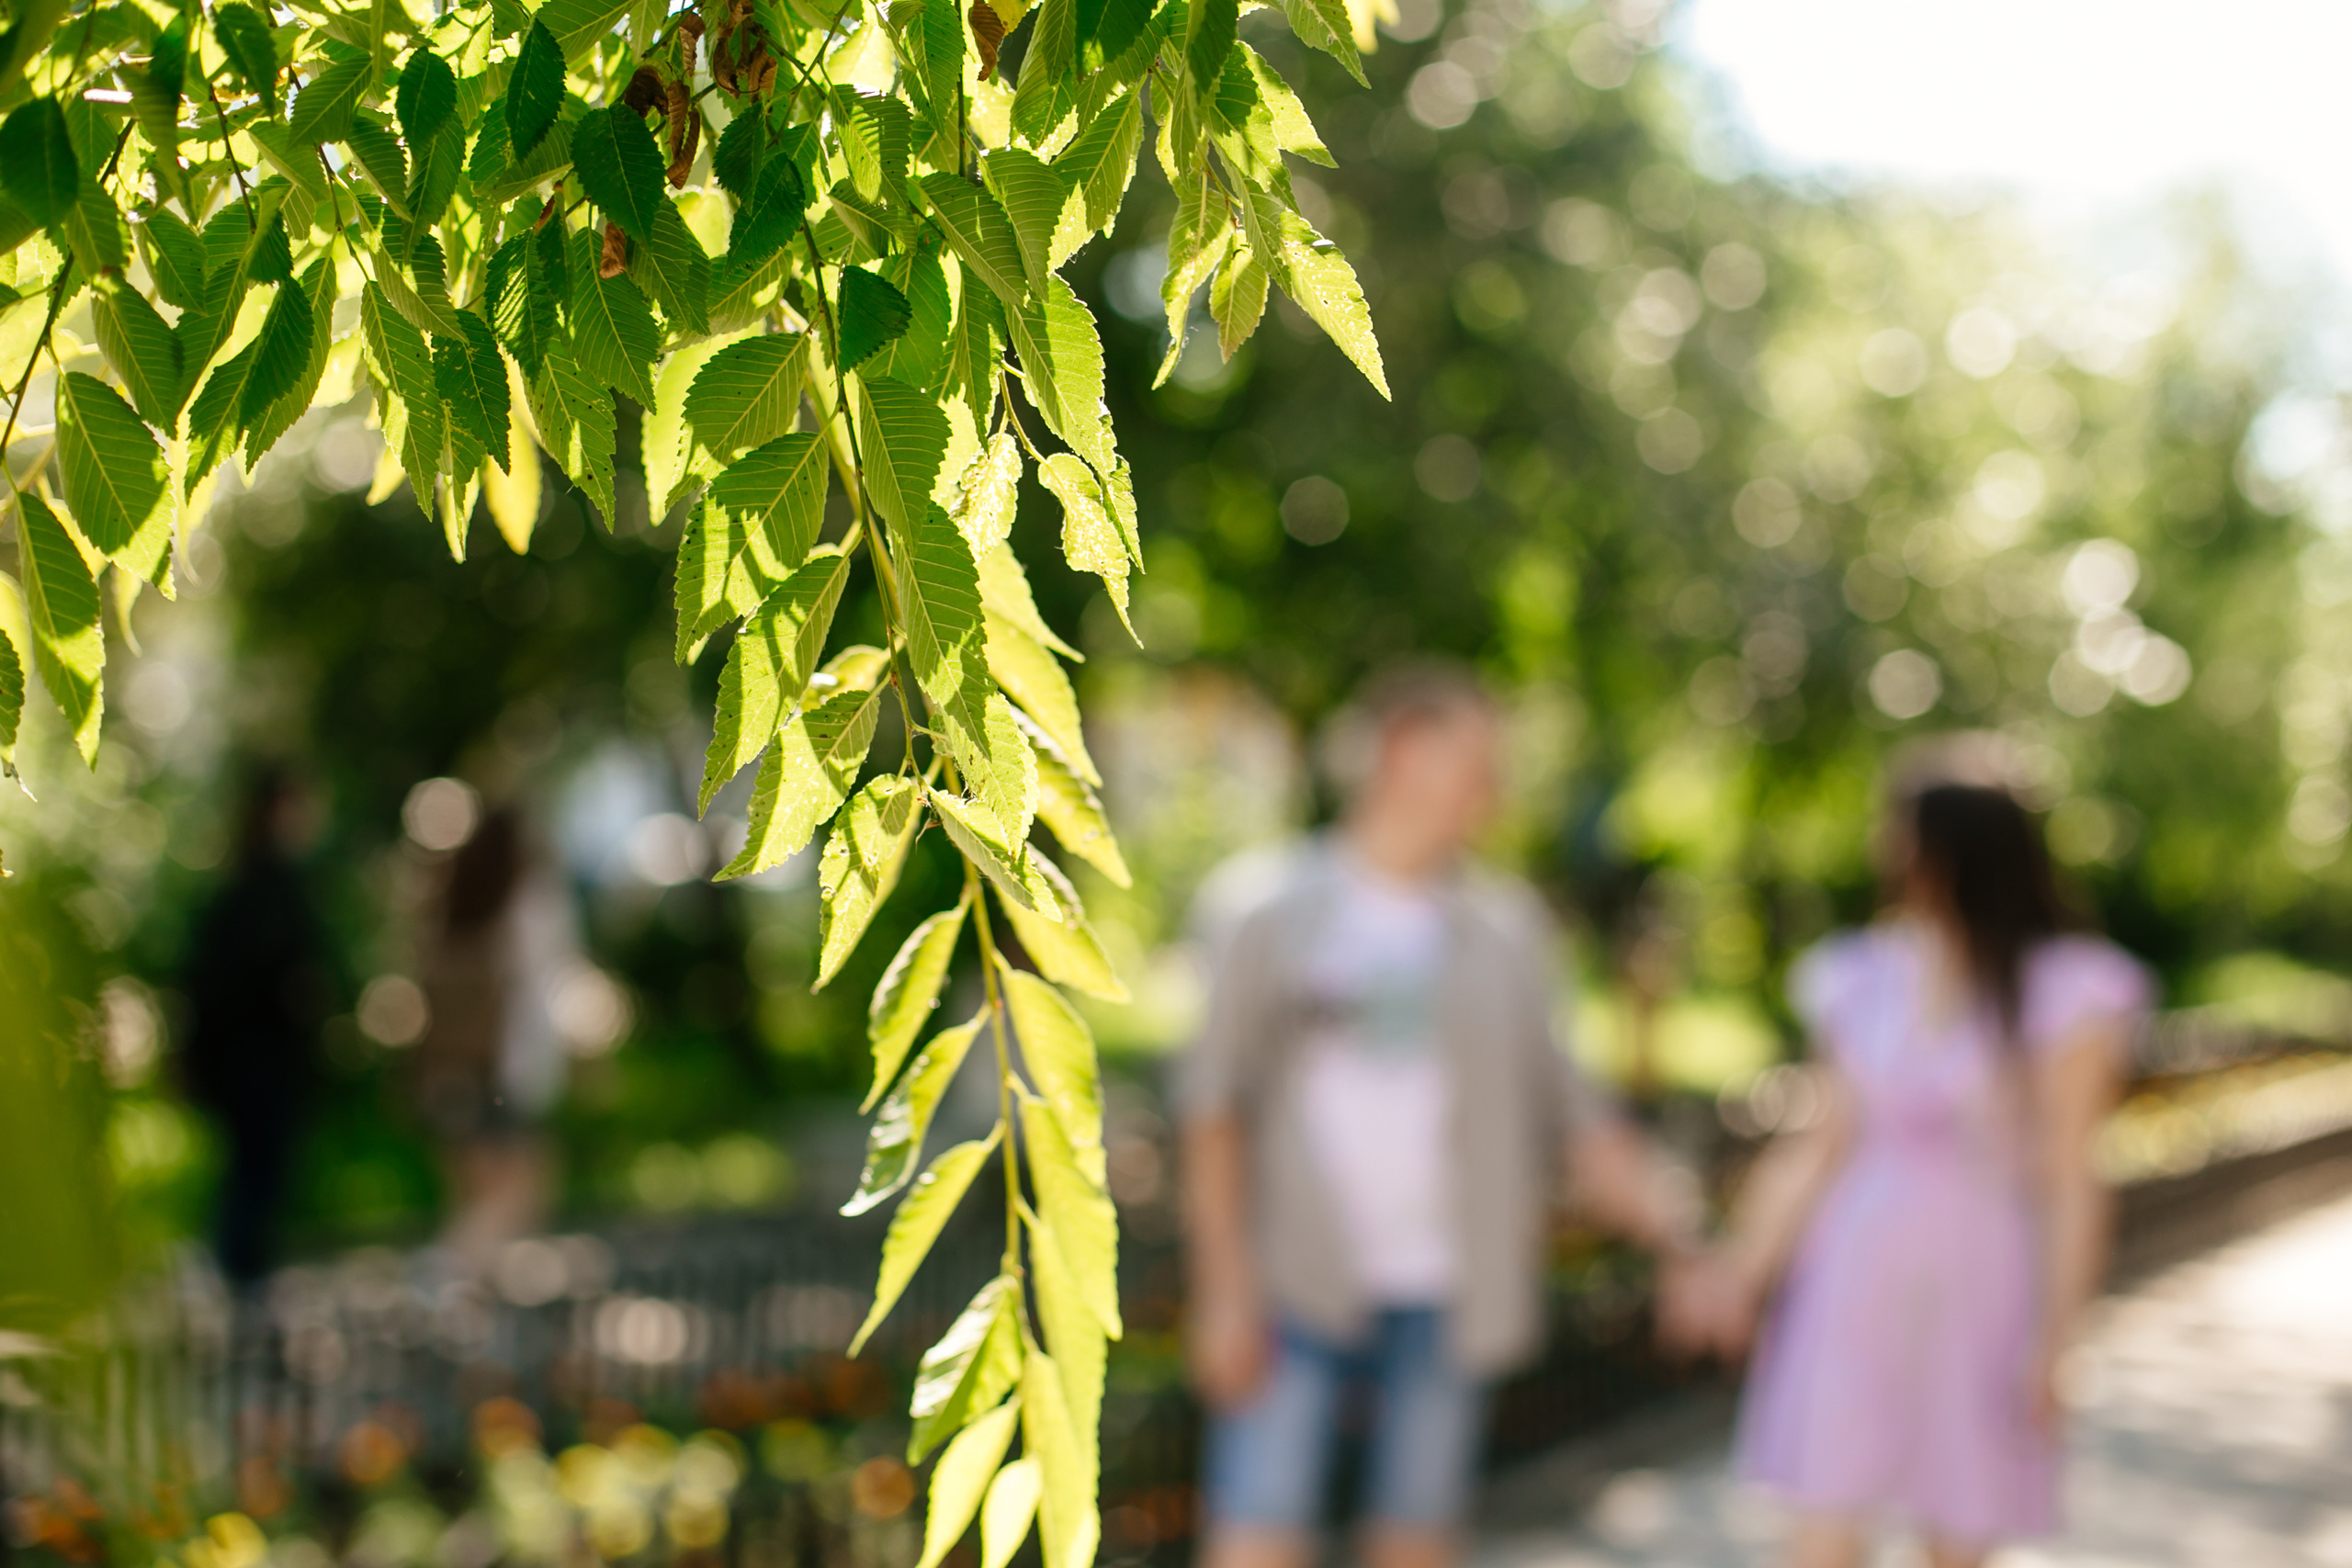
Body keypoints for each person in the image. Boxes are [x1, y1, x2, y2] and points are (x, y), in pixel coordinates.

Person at [1177, 664, 1702, 1568]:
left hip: (1445, 1298)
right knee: (1258, 1535)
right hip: (1290, 1286)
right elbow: (1212, 1114)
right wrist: (1224, 1295)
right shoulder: (1260, 911)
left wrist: (1685, 1244)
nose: (1495, 790)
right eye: (1479, 762)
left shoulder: (1508, 928)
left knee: (1417, 1541)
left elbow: (1578, 1116)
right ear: (1404, 752)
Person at [1679, 745, 2151, 1568]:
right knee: (1823, 1528)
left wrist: (2056, 1340)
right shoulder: (1860, 974)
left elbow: (2071, 1178)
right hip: (1856, 1270)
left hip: (1983, 1279)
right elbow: (1821, 1144)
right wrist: (1743, 1270)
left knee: (1958, 1536)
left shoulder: (2069, 988)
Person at [181, 766, 333, 1287]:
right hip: (259, 1062)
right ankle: (235, 1283)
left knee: (253, 1177)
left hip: (249, 1061)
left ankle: (235, 1279)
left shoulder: (247, 884)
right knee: (255, 1179)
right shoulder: (269, 889)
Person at [414, 805, 579, 1272]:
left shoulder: (456, 901)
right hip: (509, 1065)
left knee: (474, 1196)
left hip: (452, 1067)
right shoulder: (531, 902)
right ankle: (441, 1273)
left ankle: (466, 1300)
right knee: (522, 1193)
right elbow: (552, 982)